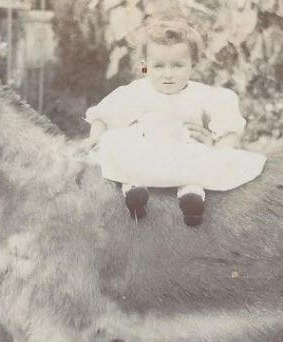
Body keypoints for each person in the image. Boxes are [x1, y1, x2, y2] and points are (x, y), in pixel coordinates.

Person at [85, 18, 266, 226]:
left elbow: (229, 124)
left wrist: (220, 147)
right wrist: (96, 136)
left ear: (192, 65)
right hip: (147, 150)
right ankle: (135, 191)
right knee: (116, 142)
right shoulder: (137, 92)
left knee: (200, 161)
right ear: (145, 67)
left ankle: (191, 196)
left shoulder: (203, 95)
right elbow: (105, 113)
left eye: (178, 65)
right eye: (159, 66)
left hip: (184, 150)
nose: (168, 74)